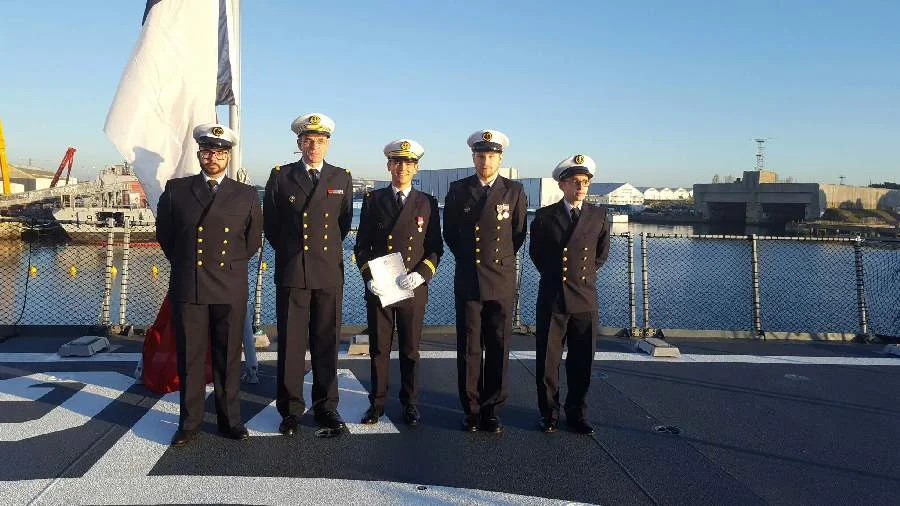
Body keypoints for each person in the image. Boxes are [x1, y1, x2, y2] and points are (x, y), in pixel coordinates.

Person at [155, 123, 262, 446]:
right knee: (190, 356)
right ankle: (189, 423)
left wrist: (226, 267)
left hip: (229, 286)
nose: (213, 157)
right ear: (199, 154)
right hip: (191, 285)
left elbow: (252, 240)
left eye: (219, 152)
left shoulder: (245, 194)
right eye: (207, 151)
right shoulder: (177, 190)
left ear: (229, 156)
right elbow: (167, 237)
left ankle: (230, 420)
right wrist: (189, 264)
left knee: (228, 357)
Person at [263, 113, 353, 436]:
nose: (314, 146)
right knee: (291, 344)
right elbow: (270, 224)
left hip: (327, 272)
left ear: (328, 143)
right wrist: (292, 252)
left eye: (320, 141)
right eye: (307, 141)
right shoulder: (281, 177)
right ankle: (290, 410)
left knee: (326, 342)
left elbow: (342, 225)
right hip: (293, 271)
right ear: (298, 143)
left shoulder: (341, 178)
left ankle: (327, 407)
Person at [354, 139, 443, 426]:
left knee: (410, 349)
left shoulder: (426, 203)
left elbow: (435, 247)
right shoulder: (373, 200)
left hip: (411, 288)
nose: (402, 168)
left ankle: (410, 403)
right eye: (396, 162)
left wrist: (422, 273)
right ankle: (377, 404)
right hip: (381, 288)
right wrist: (368, 278)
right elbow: (361, 246)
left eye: (408, 163)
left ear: (416, 168)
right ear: (389, 166)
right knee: (379, 347)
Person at [443, 129, 527, 433]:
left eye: (491, 156)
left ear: (500, 158)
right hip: (468, 277)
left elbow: (517, 235)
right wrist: (469, 259)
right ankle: (471, 408)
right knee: (469, 347)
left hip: (501, 279)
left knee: (498, 345)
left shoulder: (514, 191)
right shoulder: (458, 190)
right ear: (473, 157)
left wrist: (498, 261)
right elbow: (450, 234)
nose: (486, 161)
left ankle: (492, 409)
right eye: (480, 156)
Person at [528, 154, 610, 435]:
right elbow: (536, 254)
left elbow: (601, 255)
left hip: (584, 298)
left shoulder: (598, 216)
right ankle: (549, 413)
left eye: (585, 182)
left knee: (581, 361)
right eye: (575, 182)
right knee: (548, 362)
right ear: (562, 185)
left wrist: (580, 278)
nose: (581, 187)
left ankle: (577, 413)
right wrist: (557, 277)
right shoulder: (544, 217)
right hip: (553, 296)